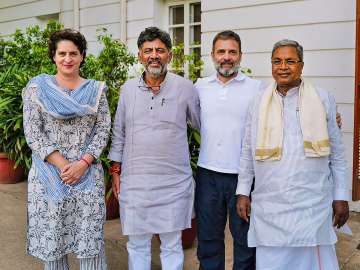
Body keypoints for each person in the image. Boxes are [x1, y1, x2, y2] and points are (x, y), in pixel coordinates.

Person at [236, 39, 350, 270]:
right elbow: (247, 151)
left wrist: (340, 195)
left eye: (290, 61)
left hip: (311, 204)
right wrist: (242, 192)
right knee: (272, 261)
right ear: (271, 65)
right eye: (277, 61)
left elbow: (337, 155)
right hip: (270, 205)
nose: (283, 67)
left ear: (301, 65)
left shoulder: (322, 99)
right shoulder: (258, 102)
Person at [108, 27, 200, 270]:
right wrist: (115, 171)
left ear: (169, 55)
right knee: (138, 244)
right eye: (148, 50)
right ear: (140, 55)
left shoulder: (185, 87)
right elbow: (119, 132)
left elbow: (202, 127)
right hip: (136, 183)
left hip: (173, 183)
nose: (154, 55)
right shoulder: (127, 89)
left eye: (160, 50)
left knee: (171, 244)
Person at [23, 29, 111, 270]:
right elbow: (32, 131)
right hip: (49, 177)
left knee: (90, 243)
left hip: (87, 175)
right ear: (54, 56)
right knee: (53, 245)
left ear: (82, 56)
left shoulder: (96, 91)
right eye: (62, 53)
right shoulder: (37, 88)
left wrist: (82, 164)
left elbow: (102, 129)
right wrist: (64, 166)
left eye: (73, 53)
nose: (68, 59)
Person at [194, 30, 261, 270]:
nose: (226, 57)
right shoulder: (199, 87)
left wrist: (328, 118)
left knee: (245, 241)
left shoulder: (257, 88)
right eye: (221, 51)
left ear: (241, 56)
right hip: (207, 174)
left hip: (243, 177)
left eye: (232, 52)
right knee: (208, 240)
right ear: (212, 55)